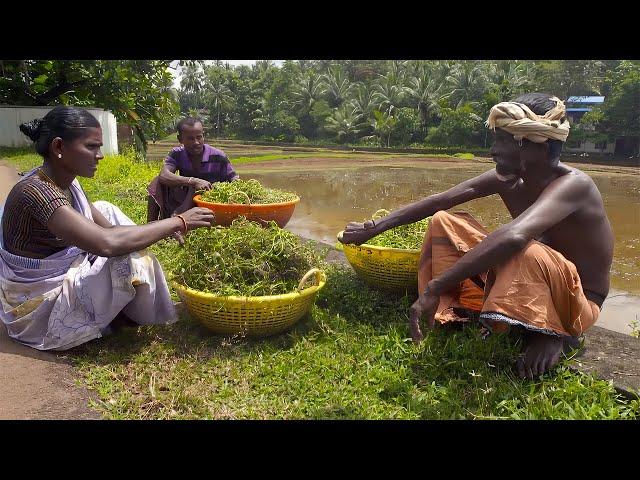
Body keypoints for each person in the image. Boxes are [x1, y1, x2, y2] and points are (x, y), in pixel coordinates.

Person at [339, 93, 614, 380]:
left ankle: (553, 332)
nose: (492, 151)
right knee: (444, 222)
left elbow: (515, 236)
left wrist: (435, 286)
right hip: (535, 275)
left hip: (577, 301)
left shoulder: (575, 186)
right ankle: (474, 310)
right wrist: (374, 227)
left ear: (528, 144)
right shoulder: (509, 177)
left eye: (501, 141)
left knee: (521, 247)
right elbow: (441, 200)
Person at [0, 106, 215, 351]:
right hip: (38, 306)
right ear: (59, 147)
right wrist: (179, 221)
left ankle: (121, 308)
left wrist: (164, 226)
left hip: (63, 270)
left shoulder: (66, 183)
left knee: (107, 210)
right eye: (91, 147)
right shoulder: (38, 192)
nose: (99, 155)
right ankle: (135, 317)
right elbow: (107, 243)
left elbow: (111, 228)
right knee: (131, 260)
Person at [146, 117, 239, 223]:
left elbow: (234, 179)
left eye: (199, 137)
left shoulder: (218, 156)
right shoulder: (177, 153)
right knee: (156, 181)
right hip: (187, 198)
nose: (196, 142)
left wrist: (217, 189)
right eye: (190, 138)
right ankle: (150, 224)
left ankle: (179, 218)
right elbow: (164, 175)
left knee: (195, 189)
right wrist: (193, 181)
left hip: (211, 200)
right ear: (180, 139)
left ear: (203, 136)